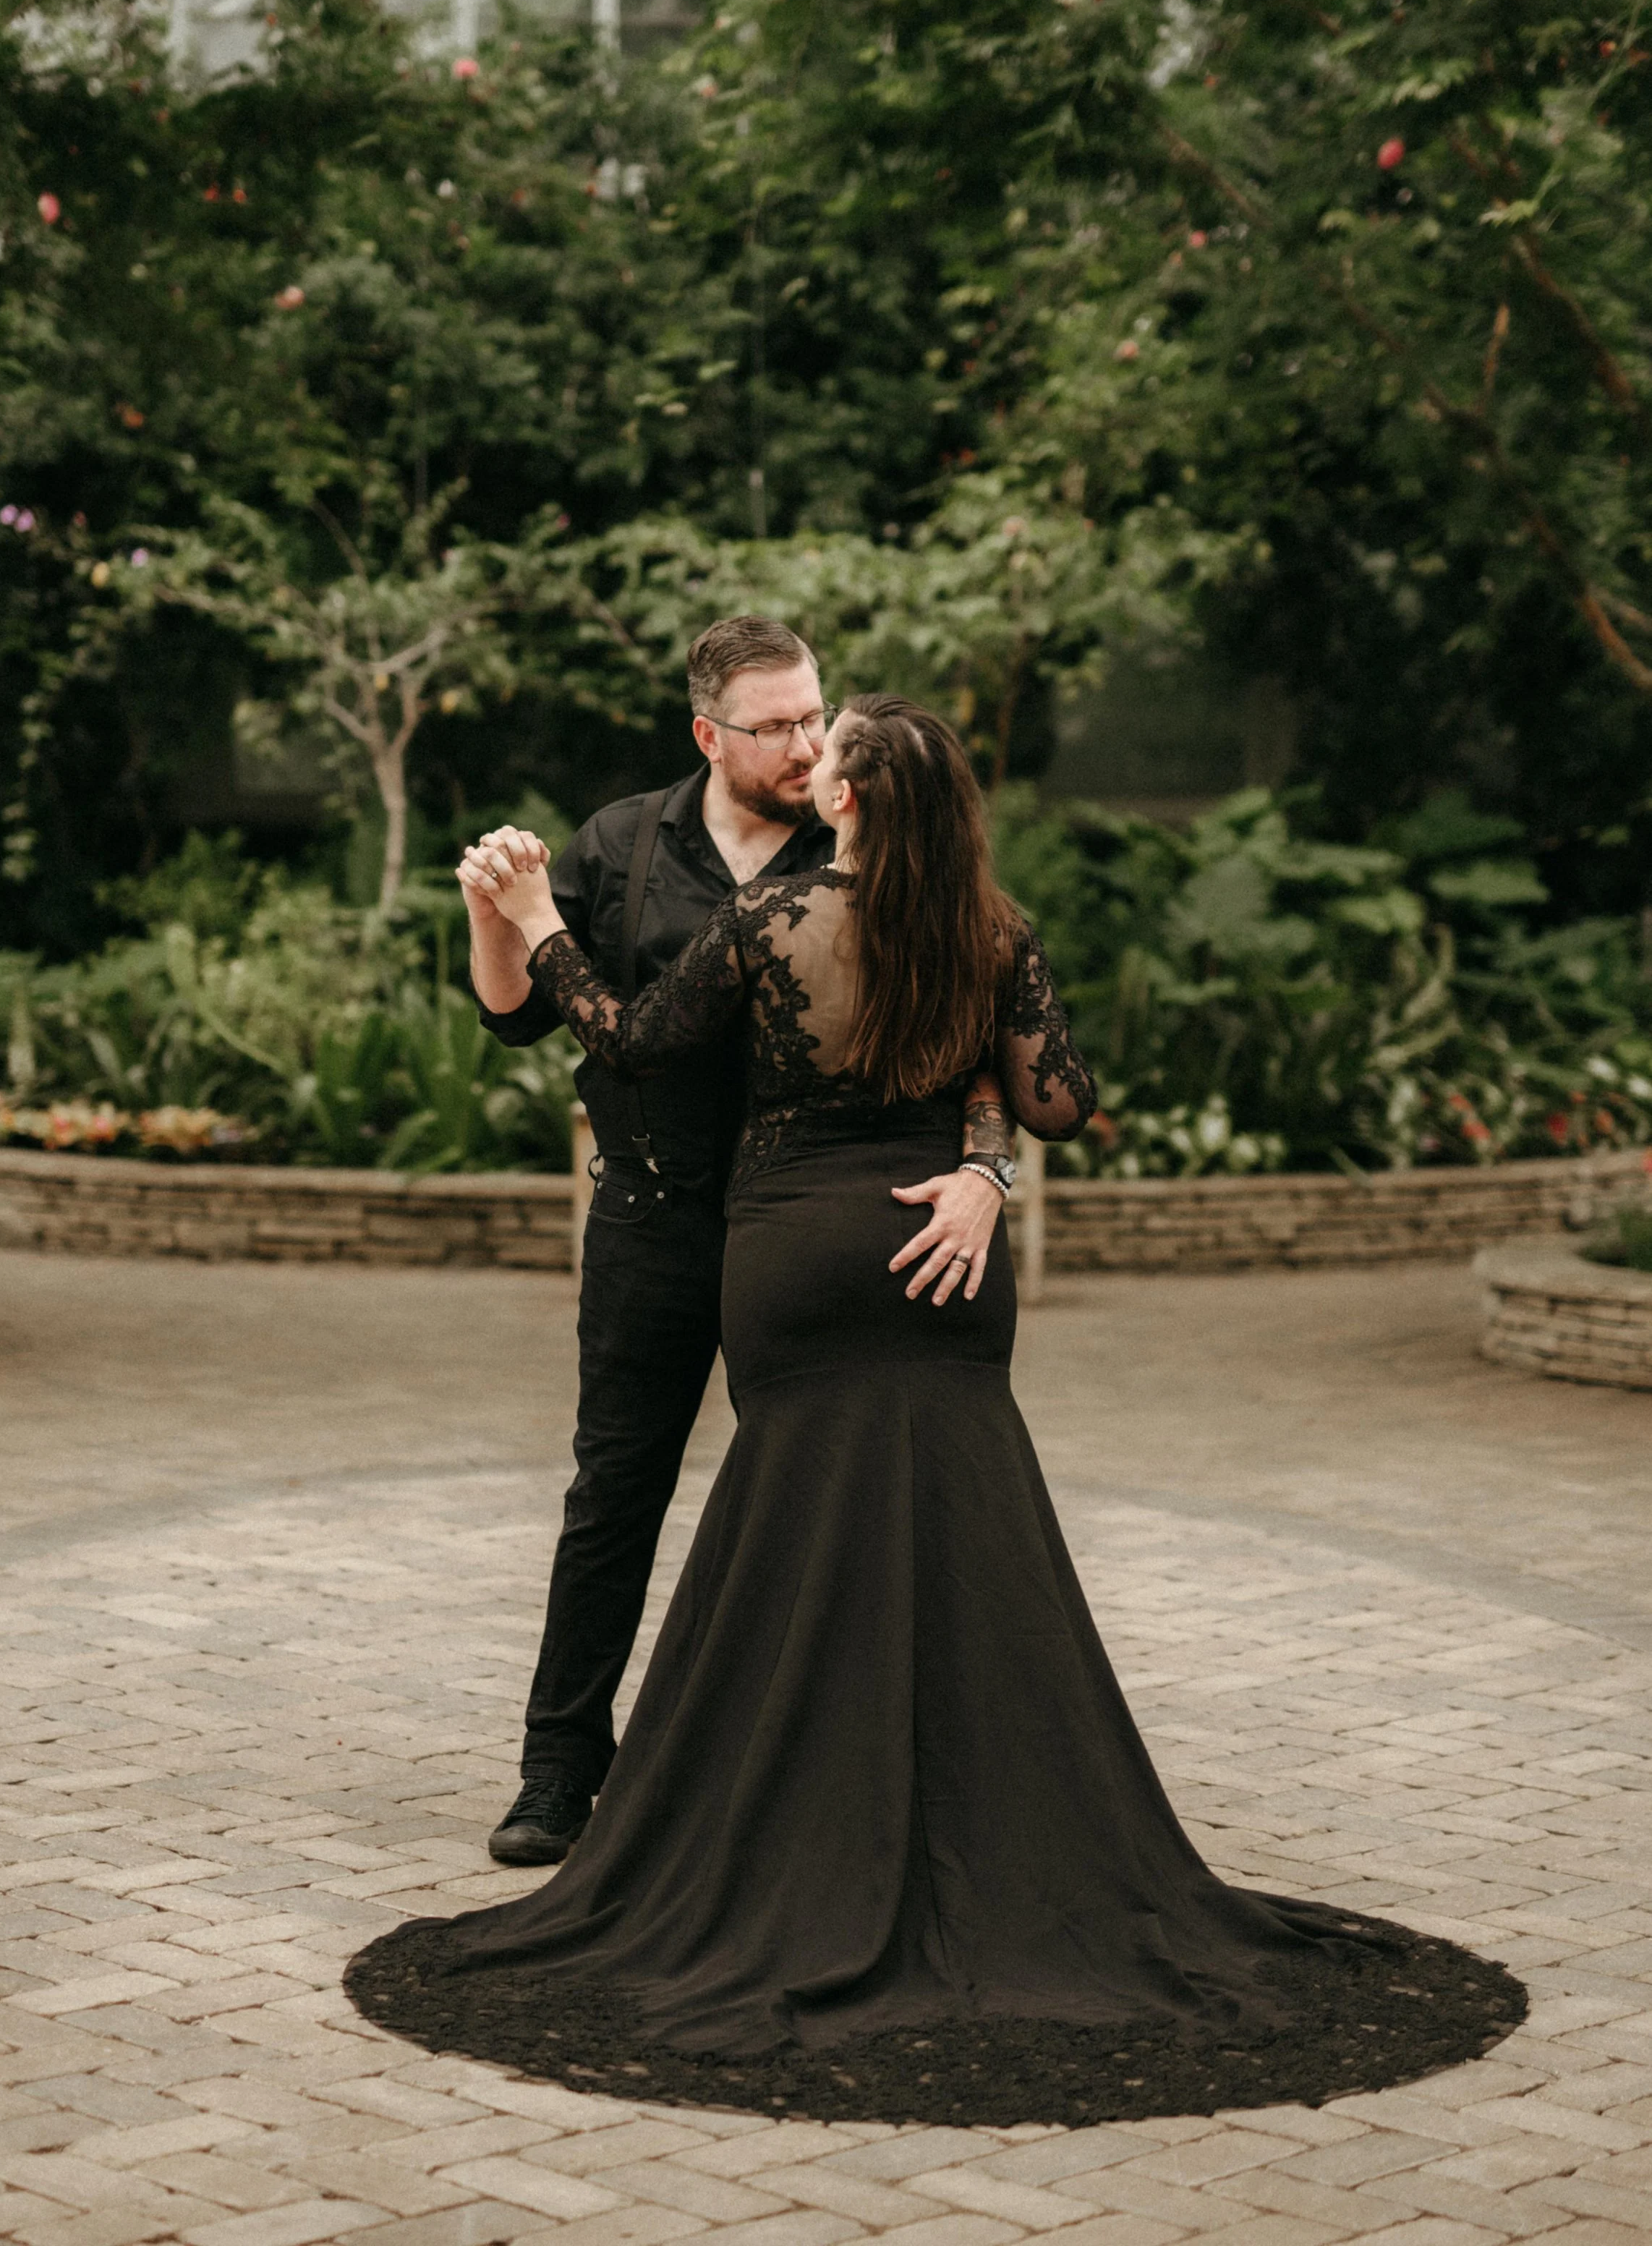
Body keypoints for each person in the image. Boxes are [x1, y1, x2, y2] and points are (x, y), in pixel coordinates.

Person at [388, 695, 1381, 2079]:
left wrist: (543, 923)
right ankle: (986, 1811)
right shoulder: (988, 926)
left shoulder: (769, 925)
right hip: (944, 1255)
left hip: (797, 1250)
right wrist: (987, 1167)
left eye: (827, 745)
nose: (808, 758)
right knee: (965, 1528)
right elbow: (1059, 1099)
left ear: (848, 799)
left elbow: (629, 1038)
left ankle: (786, 1811)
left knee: (791, 1518)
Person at [461, 619, 1013, 1868]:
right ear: (708, 734)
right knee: (616, 1492)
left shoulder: (868, 827)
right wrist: (503, 911)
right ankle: (559, 1770)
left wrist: (989, 1169)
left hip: (814, 1231)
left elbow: (982, 1020)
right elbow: (514, 1017)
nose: (809, 743)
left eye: (815, 716)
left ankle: (825, 1774)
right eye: (776, 725)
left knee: (819, 1501)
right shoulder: (619, 842)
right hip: (656, 1217)